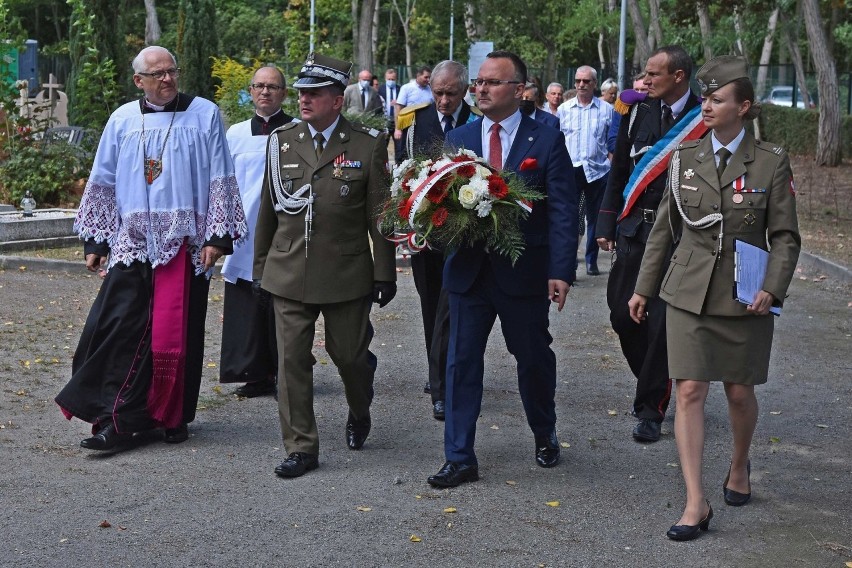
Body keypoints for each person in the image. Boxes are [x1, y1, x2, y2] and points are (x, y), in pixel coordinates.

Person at [628, 55, 800, 540]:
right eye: (704, 97)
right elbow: (664, 230)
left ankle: (740, 465)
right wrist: (644, 288)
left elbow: (785, 235)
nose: (706, 105)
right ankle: (694, 501)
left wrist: (773, 286)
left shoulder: (770, 161)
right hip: (688, 290)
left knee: (739, 392)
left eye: (717, 98)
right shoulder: (685, 157)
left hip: (746, 294)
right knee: (688, 390)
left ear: (743, 106)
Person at [55, 46, 247, 450]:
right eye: (157, 74)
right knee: (113, 328)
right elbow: (103, 179)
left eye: (172, 71)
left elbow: (221, 177)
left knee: (176, 332)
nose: (167, 80)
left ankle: (171, 416)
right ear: (138, 80)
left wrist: (216, 237)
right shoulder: (122, 119)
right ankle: (115, 416)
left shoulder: (204, 114)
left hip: (185, 244)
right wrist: (97, 240)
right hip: (133, 242)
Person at [427, 50, 578, 488]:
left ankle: (543, 430)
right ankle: (459, 456)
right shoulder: (463, 136)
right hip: (469, 272)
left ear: (518, 89)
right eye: (479, 82)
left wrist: (561, 270)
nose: (481, 89)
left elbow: (565, 209)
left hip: (524, 271)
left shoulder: (545, 138)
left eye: (493, 82)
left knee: (532, 359)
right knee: (460, 363)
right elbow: (441, 201)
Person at [253, 52, 397, 478]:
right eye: (301, 93)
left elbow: (379, 214)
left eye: (314, 93)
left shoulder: (367, 144)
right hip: (289, 270)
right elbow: (268, 210)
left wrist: (384, 272)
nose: (303, 99)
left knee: (350, 357)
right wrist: (261, 268)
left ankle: (360, 409)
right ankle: (301, 446)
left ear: (337, 100)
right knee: (291, 362)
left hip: (346, 273)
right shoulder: (281, 142)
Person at [596, 46, 703, 443]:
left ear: (678, 76)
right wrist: (606, 222)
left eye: (653, 74)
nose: (644, 79)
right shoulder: (637, 111)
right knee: (623, 317)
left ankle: (650, 409)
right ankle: (656, 380)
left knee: (660, 324)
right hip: (634, 233)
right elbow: (620, 169)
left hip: (679, 238)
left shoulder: (702, 119)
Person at [395, 60, 481, 421]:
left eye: (451, 93)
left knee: (455, 307)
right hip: (427, 234)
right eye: (438, 93)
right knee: (432, 304)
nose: (444, 100)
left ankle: (443, 382)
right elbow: (403, 174)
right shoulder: (415, 122)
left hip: (464, 231)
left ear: (464, 90)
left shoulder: (477, 122)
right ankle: (439, 372)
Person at [219, 66, 297, 398]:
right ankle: (255, 373)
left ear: (284, 93)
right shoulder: (234, 134)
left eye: (272, 87)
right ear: (251, 91)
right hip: (244, 230)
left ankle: (288, 372)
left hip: (284, 230)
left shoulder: (298, 131)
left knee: (285, 304)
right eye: (259, 86)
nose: (265, 92)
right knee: (247, 306)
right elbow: (222, 183)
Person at [557, 65, 614, 276]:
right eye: (579, 81)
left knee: (595, 218)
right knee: (570, 218)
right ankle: (569, 262)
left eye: (586, 81)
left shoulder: (607, 110)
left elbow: (612, 141)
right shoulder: (564, 109)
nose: (582, 84)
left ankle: (591, 260)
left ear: (594, 84)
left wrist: (609, 164)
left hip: (597, 171)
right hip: (570, 170)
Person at [606, 72, 647, 154]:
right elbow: (612, 141)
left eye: (643, 90)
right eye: (636, 90)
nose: (638, 93)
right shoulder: (623, 109)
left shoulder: (658, 107)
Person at [393, 66, 433, 142]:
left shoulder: (431, 89)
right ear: (418, 75)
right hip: (409, 127)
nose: (428, 80)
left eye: (429, 78)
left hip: (426, 126)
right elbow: (398, 108)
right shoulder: (406, 88)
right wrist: (397, 128)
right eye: (426, 77)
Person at [378, 68, 400, 156]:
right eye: (389, 79)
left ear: (396, 79)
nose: (391, 81)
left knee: (398, 147)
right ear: (385, 78)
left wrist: (398, 102)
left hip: (397, 122)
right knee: (382, 147)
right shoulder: (380, 89)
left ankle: (399, 166)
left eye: (393, 79)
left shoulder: (400, 89)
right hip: (384, 121)